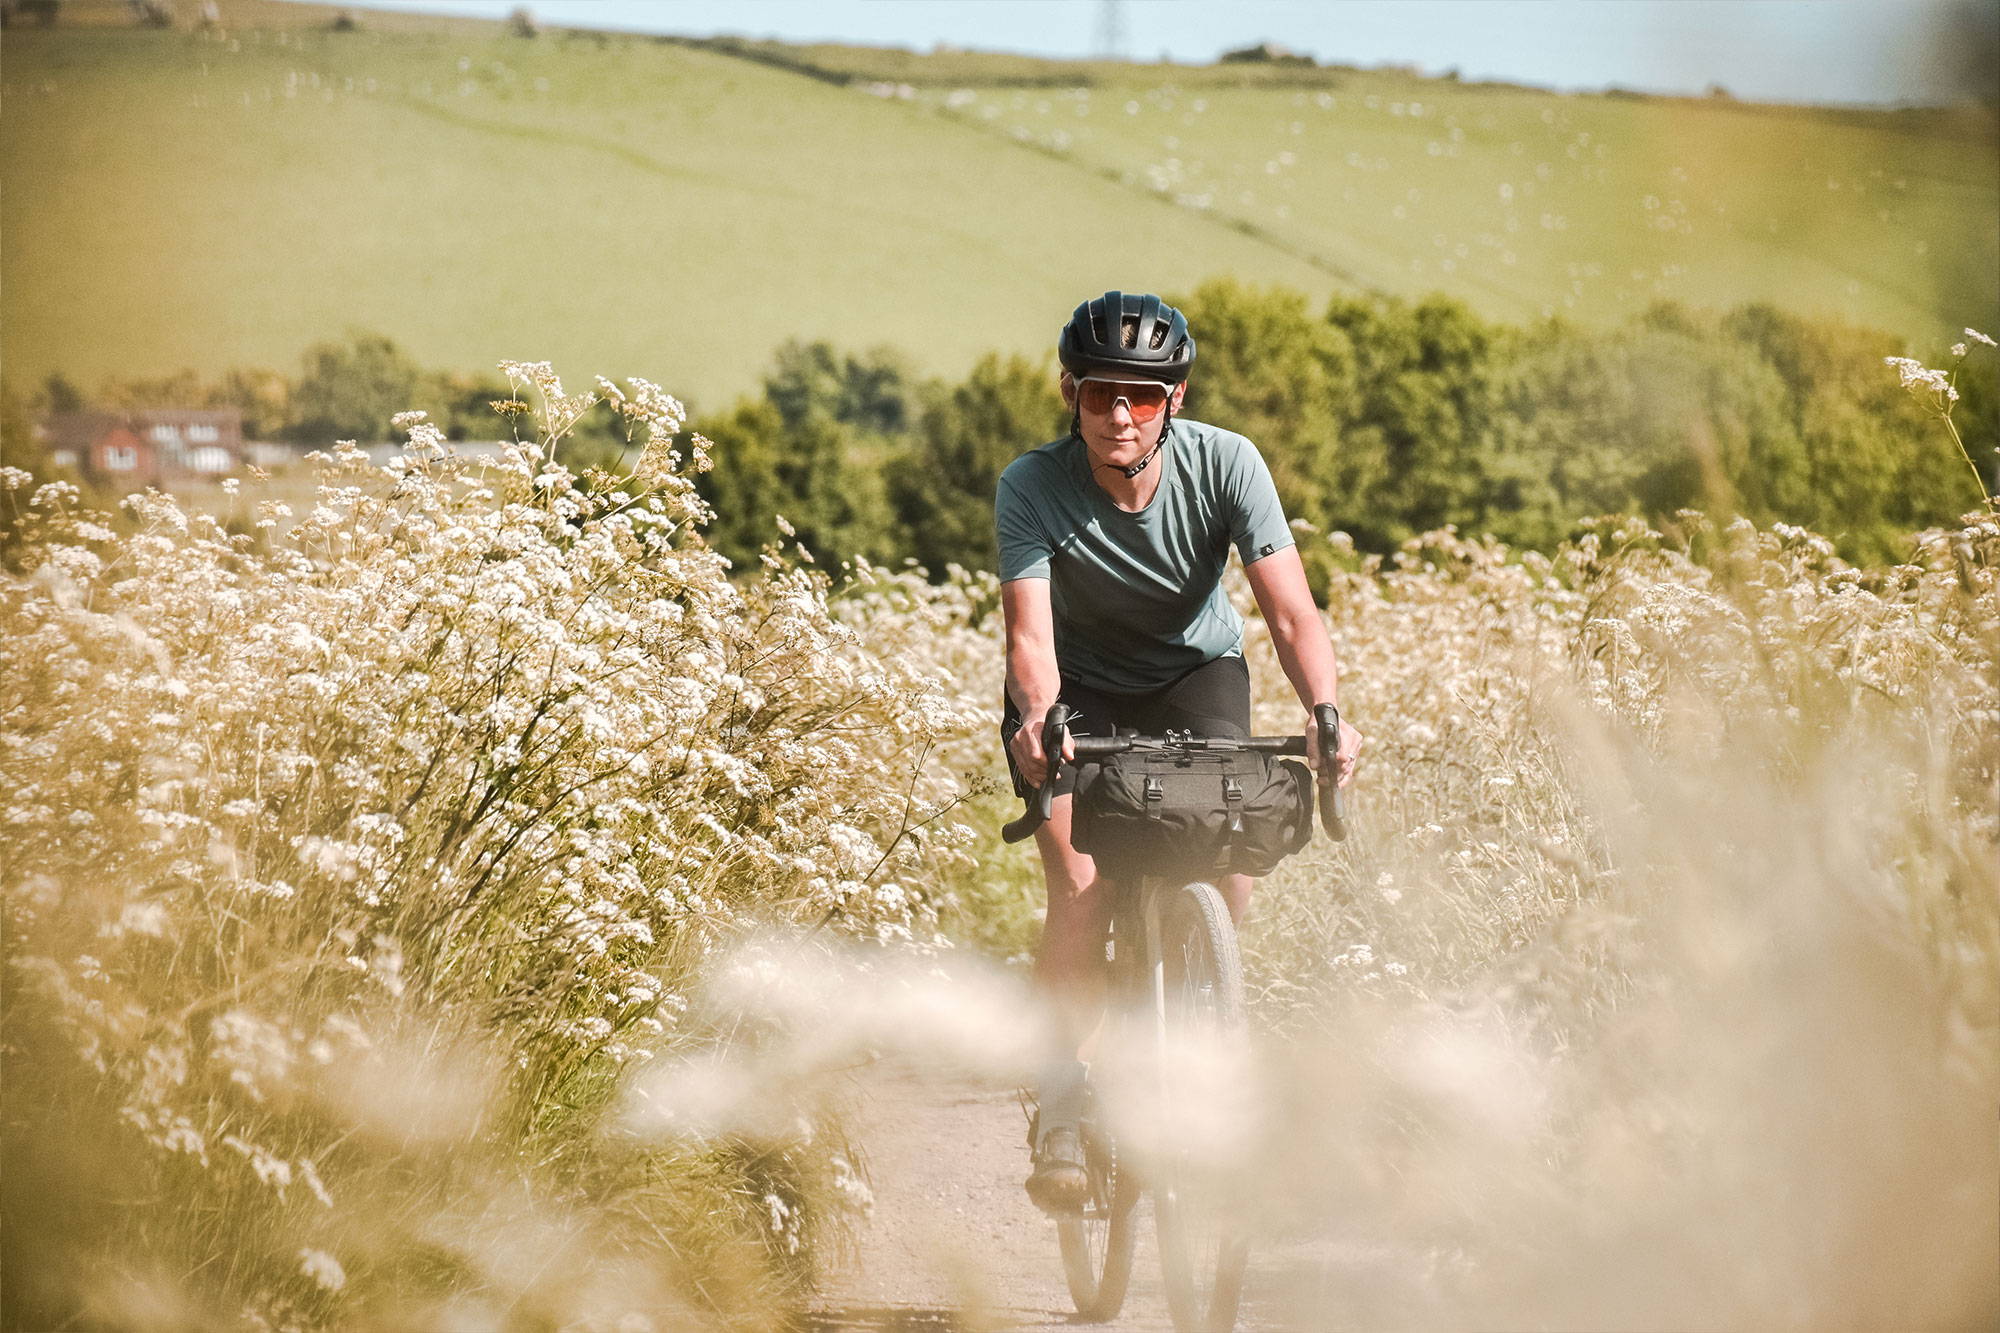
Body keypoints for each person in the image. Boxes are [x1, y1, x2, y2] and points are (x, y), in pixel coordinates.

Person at [996, 290, 1363, 1211]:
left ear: (1177, 399)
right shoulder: (1031, 485)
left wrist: (1326, 711)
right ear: (1071, 394)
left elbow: (1289, 612)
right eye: (1102, 394)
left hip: (1195, 674)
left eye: (1145, 396)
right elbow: (1029, 641)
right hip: (1073, 689)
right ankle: (1064, 1101)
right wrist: (1042, 721)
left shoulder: (1228, 464)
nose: (1121, 415)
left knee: (1227, 856)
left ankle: (1196, 1025)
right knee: (1082, 885)